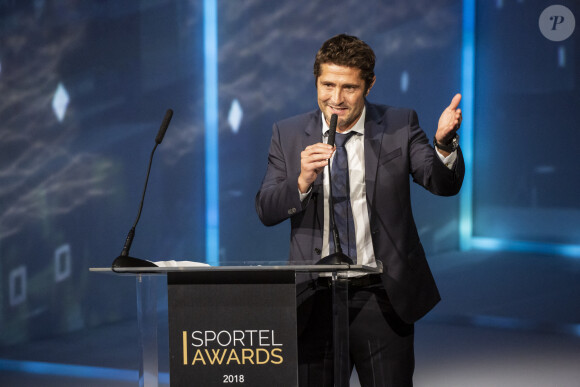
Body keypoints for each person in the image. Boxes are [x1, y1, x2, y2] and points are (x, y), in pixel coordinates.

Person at [255, 34, 464, 386]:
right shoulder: (288, 133)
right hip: (313, 297)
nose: (336, 99)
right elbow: (266, 209)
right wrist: (302, 181)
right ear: (316, 81)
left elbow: (441, 183)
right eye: (327, 85)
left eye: (349, 87)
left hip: (381, 295)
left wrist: (444, 144)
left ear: (369, 84)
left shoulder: (399, 124)